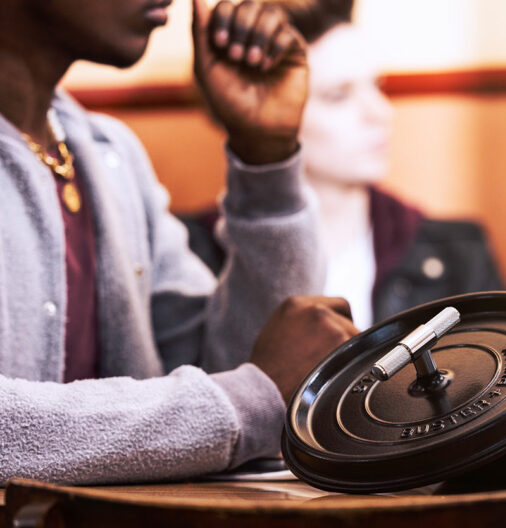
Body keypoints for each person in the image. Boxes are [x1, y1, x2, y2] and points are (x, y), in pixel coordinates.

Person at [0, 0, 358, 485]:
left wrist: (266, 162)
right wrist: (251, 396)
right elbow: (239, 397)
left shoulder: (111, 155)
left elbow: (219, 374)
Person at [182, 0, 506, 329]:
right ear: (255, 110)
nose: (379, 112)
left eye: (376, 86)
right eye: (338, 95)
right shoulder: (189, 253)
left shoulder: (457, 252)